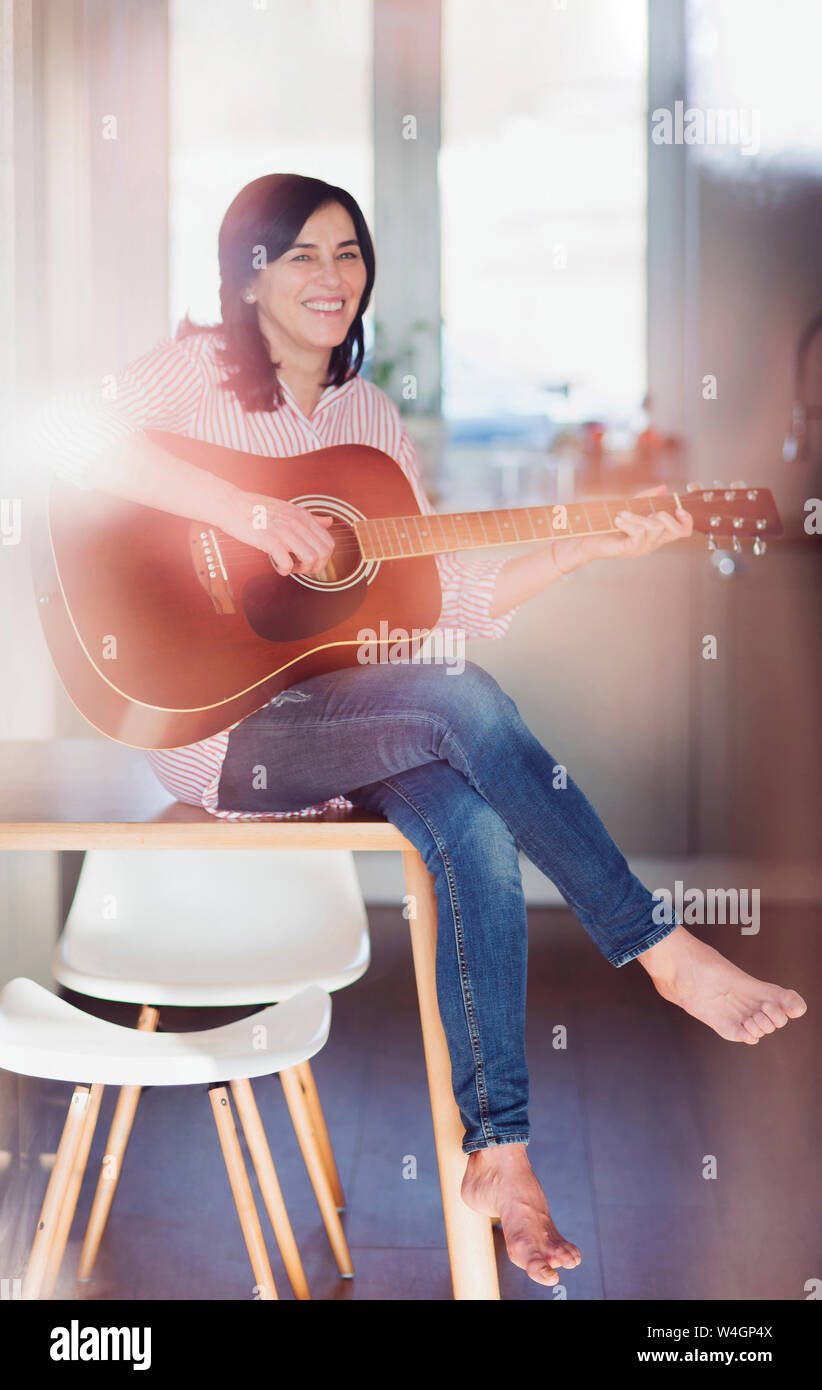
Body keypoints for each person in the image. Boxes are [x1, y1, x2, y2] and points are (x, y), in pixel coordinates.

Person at [33, 174, 807, 1290]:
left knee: (466, 810)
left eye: (348, 254)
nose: (331, 277)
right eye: (300, 254)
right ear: (249, 273)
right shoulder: (194, 371)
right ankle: (661, 947)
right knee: (458, 699)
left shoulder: (368, 427)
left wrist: (584, 546)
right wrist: (250, 513)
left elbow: (442, 607)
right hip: (228, 728)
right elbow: (66, 438)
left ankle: (499, 1154)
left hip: (353, 713)